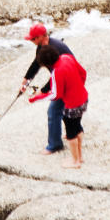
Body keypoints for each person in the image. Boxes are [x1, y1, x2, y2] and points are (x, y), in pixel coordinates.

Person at [19, 23, 77, 154]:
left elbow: (59, 74)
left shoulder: (57, 48)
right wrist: (26, 80)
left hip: (69, 79)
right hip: (62, 79)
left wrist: (43, 90)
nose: (31, 41)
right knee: (64, 108)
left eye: (33, 39)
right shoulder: (41, 47)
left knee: (54, 111)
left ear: (41, 36)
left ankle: (55, 145)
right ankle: (72, 132)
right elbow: (37, 63)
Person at [52, 51, 88, 166]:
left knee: (71, 133)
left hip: (71, 105)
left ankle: (75, 161)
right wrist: (79, 86)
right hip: (83, 98)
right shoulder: (67, 57)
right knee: (77, 126)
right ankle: (80, 157)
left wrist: (35, 97)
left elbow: (56, 94)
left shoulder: (57, 71)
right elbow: (83, 73)